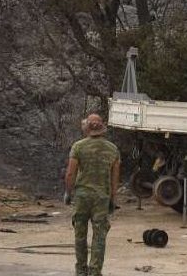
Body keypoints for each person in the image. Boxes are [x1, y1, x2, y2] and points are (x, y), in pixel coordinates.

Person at [64, 113, 120, 276]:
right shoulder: (113, 149)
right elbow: (115, 178)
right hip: (101, 198)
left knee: (80, 234)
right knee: (99, 235)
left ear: (87, 128)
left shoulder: (78, 147)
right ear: (102, 128)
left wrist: (68, 192)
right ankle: (95, 271)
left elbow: (70, 173)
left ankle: (81, 270)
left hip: (82, 197)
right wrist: (113, 198)